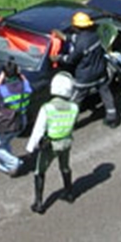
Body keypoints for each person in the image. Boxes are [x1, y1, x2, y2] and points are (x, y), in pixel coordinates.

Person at [53, 11, 120, 128]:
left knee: (75, 100)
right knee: (106, 94)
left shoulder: (81, 43)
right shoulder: (95, 34)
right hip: (100, 71)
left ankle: (67, 124)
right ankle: (112, 118)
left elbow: (70, 59)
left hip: (85, 77)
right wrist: (64, 37)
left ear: (77, 27)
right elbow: (78, 39)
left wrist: (57, 57)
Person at [26, 72, 79, 214]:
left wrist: (30, 148)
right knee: (65, 167)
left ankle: (39, 203)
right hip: (66, 142)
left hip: (51, 144)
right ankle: (69, 193)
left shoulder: (47, 108)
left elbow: (38, 130)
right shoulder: (74, 107)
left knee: (40, 171)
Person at [0, 60, 32, 176]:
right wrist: (19, 74)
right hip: (22, 121)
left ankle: (13, 163)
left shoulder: (4, 90)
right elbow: (27, 83)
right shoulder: (25, 86)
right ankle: (5, 166)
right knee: (4, 142)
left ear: (5, 75)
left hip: (8, 124)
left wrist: (1, 76)